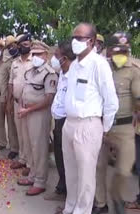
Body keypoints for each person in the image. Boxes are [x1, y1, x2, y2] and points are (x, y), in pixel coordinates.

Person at [56, 23, 119, 214]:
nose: (75, 42)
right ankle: (70, 209)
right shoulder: (74, 65)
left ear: (91, 41)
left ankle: (82, 211)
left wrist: (104, 129)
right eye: (73, 38)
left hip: (88, 125)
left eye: (80, 38)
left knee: (85, 178)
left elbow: (111, 102)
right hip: (70, 124)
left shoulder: (99, 65)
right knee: (72, 173)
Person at [93, 32, 140, 214]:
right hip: (102, 124)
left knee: (124, 169)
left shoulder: (135, 70)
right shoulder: (100, 68)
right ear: (109, 50)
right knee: (99, 166)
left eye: (124, 50)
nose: (121, 53)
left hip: (125, 126)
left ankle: (116, 194)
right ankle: (101, 203)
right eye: (117, 49)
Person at [17, 40, 58, 196]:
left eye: (39, 54)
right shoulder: (31, 71)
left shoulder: (50, 73)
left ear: (46, 55)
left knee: (39, 147)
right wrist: (22, 105)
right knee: (29, 145)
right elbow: (25, 91)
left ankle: (40, 181)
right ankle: (32, 175)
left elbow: (48, 99)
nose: (35, 57)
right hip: (26, 112)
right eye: (33, 54)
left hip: (39, 114)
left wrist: (29, 109)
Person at [44, 40, 76, 201]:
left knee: (68, 159)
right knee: (59, 156)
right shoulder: (62, 73)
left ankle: (69, 195)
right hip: (58, 120)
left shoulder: (75, 74)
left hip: (67, 121)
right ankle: (61, 188)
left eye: (56, 56)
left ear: (65, 57)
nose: (53, 59)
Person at [8, 34, 32, 176]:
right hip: (17, 103)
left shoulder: (34, 61)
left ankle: (30, 163)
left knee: (29, 135)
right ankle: (22, 159)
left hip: (30, 105)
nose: (25, 47)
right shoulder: (15, 63)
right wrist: (10, 101)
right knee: (21, 133)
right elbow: (11, 82)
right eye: (23, 45)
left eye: (27, 44)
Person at [0, 35, 19, 160]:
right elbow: (4, 83)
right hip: (12, 98)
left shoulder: (30, 59)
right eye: (9, 47)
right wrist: (5, 100)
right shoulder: (7, 64)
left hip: (26, 99)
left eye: (13, 45)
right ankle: (14, 148)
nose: (12, 48)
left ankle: (24, 150)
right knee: (11, 124)